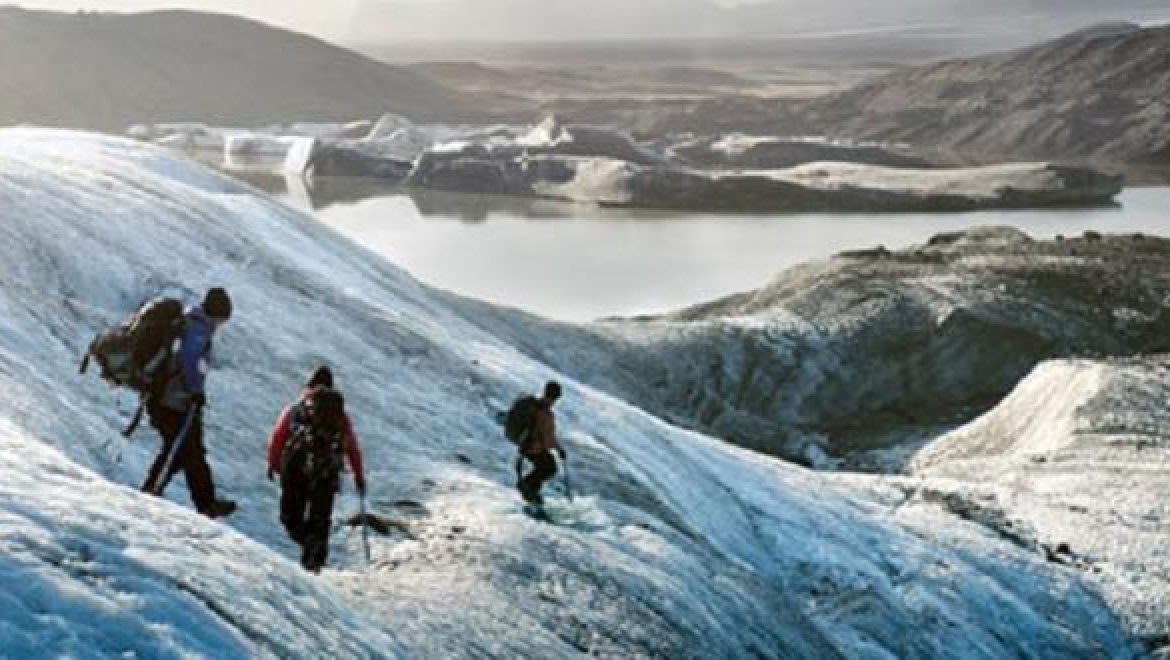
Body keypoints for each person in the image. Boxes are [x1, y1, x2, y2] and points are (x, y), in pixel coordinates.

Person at [141, 287, 236, 518]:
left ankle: (205, 502)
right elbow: (189, 360)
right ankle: (151, 492)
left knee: (188, 451)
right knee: (180, 450)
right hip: (174, 401)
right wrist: (195, 391)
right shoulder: (197, 329)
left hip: (172, 399)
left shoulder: (190, 323)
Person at [267, 367, 366, 573]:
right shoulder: (339, 416)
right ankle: (314, 562)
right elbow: (351, 446)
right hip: (326, 472)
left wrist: (273, 463)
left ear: (309, 385)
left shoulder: (296, 409)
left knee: (290, 517)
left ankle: (308, 544)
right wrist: (358, 475)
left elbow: (278, 437)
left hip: (294, 469)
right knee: (320, 519)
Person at [518, 381, 565, 507]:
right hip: (535, 448)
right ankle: (526, 486)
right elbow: (548, 438)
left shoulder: (535, 407)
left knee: (545, 467)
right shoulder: (545, 414)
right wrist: (559, 450)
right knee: (549, 468)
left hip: (527, 447)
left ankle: (532, 493)